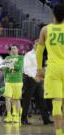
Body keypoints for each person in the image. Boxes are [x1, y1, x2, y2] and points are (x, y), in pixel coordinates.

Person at [36, 4, 64, 135]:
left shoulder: (45, 30)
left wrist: (39, 68)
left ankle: (59, 132)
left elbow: (39, 52)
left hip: (53, 69)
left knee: (57, 102)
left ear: (53, 15)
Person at [22, 41, 53, 125]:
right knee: (27, 100)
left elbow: (42, 67)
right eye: (36, 44)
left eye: (39, 45)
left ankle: (46, 120)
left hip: (39, 79)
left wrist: (42, 76)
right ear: (33, 45)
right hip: (30, 79)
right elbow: (25, 68)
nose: (38, 46)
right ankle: (23, 119)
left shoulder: (41, 54)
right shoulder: (28, 55)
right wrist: (34, 76)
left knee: (41, 99)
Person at [3, 45, 23, 123]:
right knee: (7, 98)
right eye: (12, 49)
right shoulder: (7, 58)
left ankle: (17, 116)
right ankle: (9, 115)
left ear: (18, 49)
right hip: (8, 81)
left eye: (14, 48)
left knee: (16, 99)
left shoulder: (21, 58)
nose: (13, 50)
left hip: (17, 81)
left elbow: (19, 67)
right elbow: (6, 69)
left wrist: (11, 64)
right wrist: (5, 78)